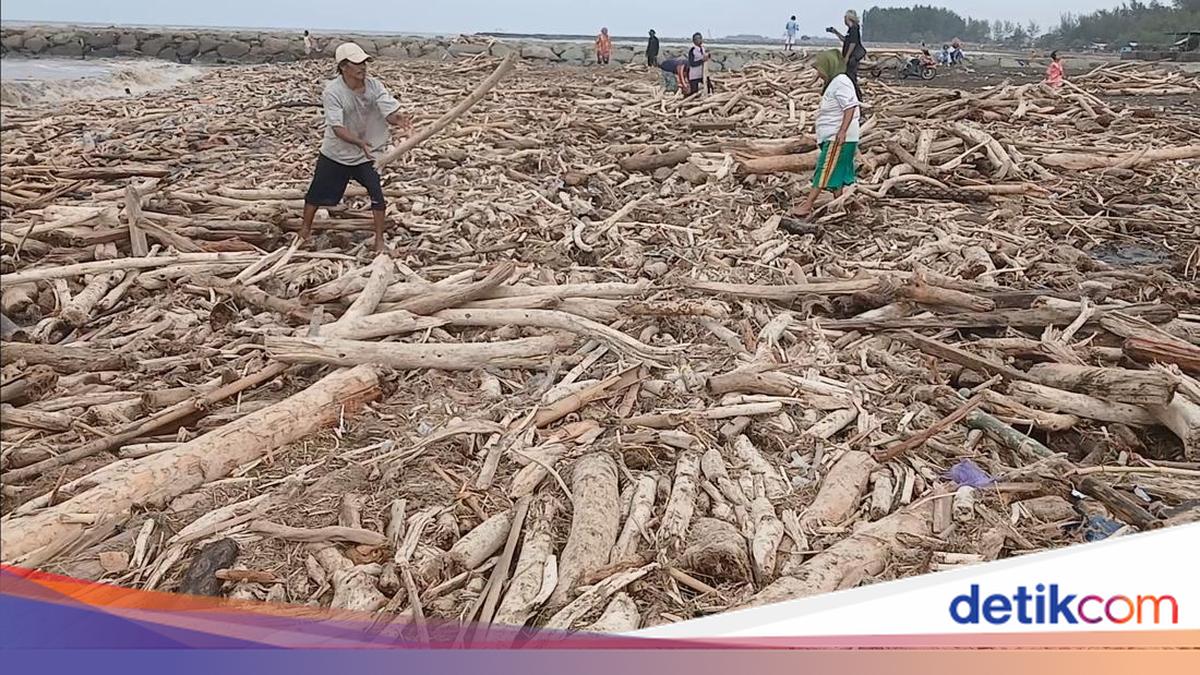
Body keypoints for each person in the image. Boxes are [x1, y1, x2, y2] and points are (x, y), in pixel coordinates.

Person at [300, 42, 413, 252]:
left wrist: (399, 119)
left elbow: (388, 111)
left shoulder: (374, 86)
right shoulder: (333, 92)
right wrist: (359, 142)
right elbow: (337, 128)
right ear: (343, 66)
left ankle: (379, 240)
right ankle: (303, 232)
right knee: (315, 194)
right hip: (336, 152)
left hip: (366, 154)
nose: (363, 67)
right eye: (357, 63)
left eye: (364, 63)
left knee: (376, 194)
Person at [791, 50, 860, 218]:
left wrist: (842, 131)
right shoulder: (834, 82)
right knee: (838, 172)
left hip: (838, 137)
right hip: (834, 136)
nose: (819, 73)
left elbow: (850, 107)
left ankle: (808, 205)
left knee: (824, 169)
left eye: (820, 69)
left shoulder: (841, 81)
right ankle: (844, 206)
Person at [826, 10, 866, 101]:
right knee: (848, 77)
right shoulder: (850, 30)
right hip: (850, 57)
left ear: (849, 18)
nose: (844, 20)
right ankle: (852, 97)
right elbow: (846, 40)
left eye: (845, 18)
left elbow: (853, 43)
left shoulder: (854, 28)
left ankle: (858, 99)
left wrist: (847, 56)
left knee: (851, 78)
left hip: (852, 58)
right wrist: (836, 32)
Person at [686, 32, 711, 98]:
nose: (699, 40)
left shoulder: (703, 49)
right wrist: (702, 60)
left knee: (709, 88)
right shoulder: (692, 50)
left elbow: (705, 57)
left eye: (700, 38)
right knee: (694, 93)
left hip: (703, 73)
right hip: (694, 75)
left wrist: (708, 55)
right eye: (697, 39)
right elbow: (692, 63)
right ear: (694, 41)